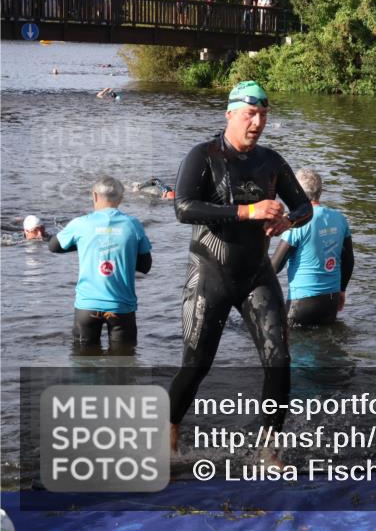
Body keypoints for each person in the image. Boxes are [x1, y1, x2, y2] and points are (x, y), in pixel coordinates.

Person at [168, 80, 312, 460]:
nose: (257, 122)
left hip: (256, 275)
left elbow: (304, 208)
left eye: (263, 114)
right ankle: (169, 431)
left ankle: (269, 449)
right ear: (230, 113)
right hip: (210, 275)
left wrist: (288, 223)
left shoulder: (272, 161)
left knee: (279, 360)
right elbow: (183, 208)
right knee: (196, 366)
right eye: (250, 113)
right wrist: (248, 211)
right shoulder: (204, 156)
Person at [49, 176, 152, 352]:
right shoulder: (133, 225)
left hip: (87, 307)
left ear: (94, 196)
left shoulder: (80, 224)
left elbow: (54, 246)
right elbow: (145, 266)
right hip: (121, 308)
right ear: (121, 198)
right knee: (123, 364)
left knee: (84, 365)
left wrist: (83, 245)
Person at [272, 169, 354, 326]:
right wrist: (342, 290)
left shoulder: (297, 223)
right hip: (331, 302)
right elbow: (348, 260)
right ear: (320, 191)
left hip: (301, 303)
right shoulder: (340, 219)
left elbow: (274, 267)